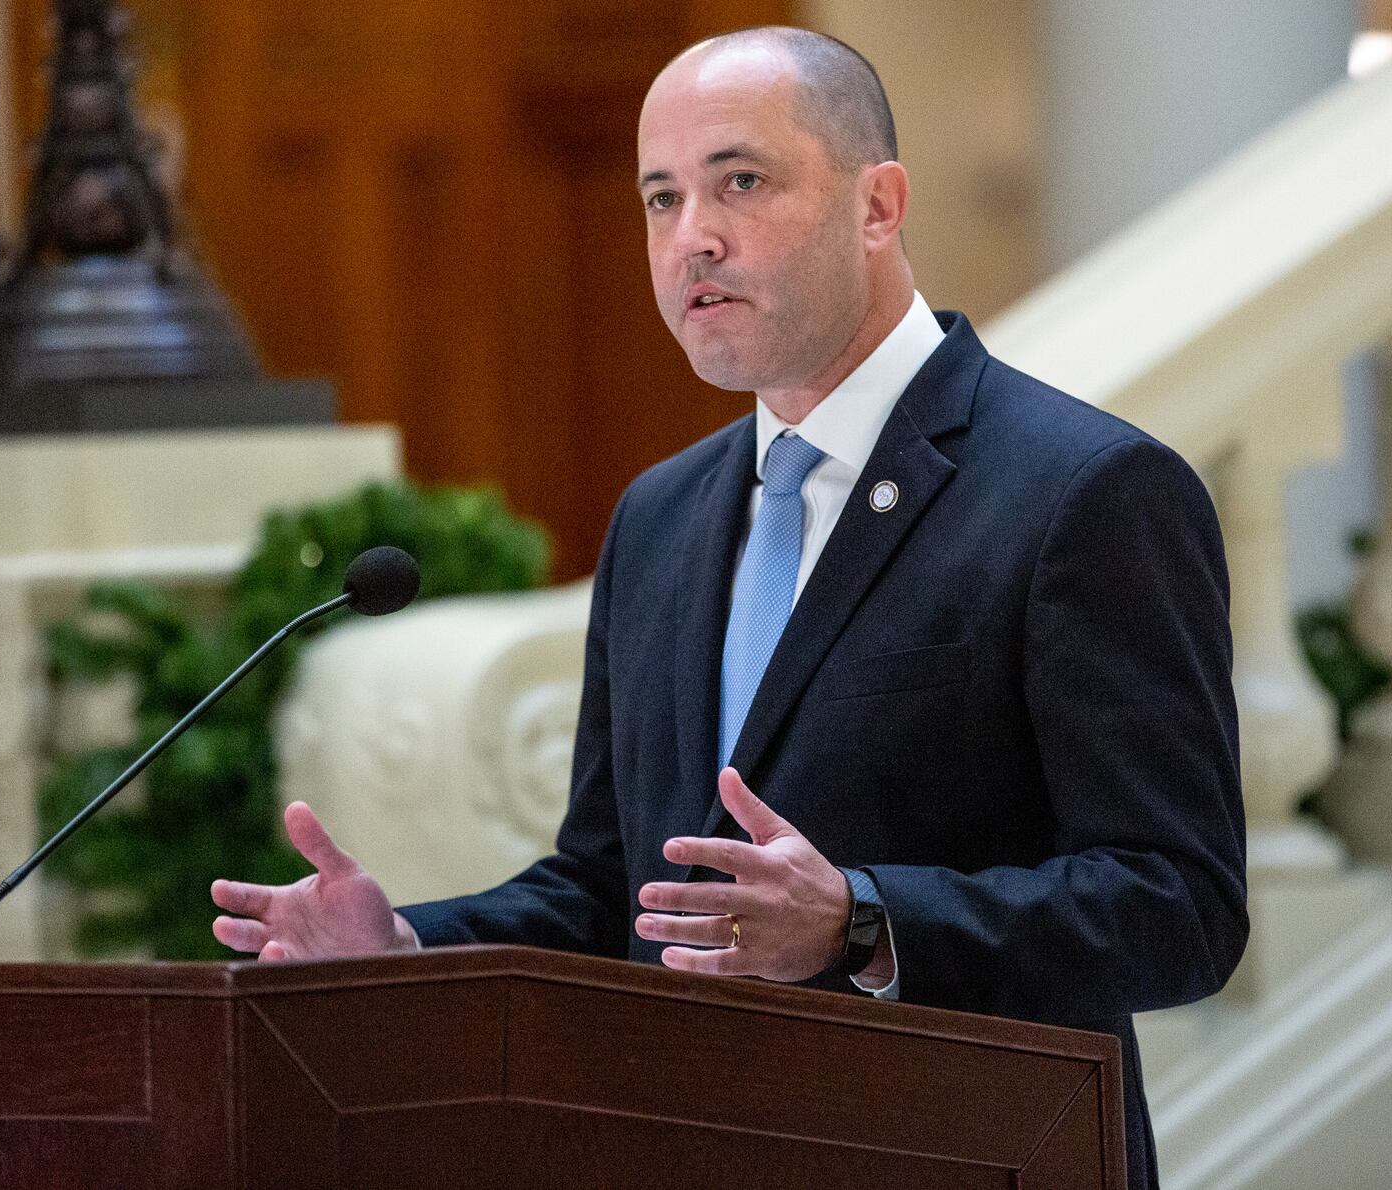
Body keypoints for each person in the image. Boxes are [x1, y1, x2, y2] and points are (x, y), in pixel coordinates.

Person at [211, 27, 1247, 1189]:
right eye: (660, 198)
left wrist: (860, 919)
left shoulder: (1081, 491)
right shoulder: (661, 516)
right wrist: (406, 943)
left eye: (740, 181)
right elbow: (616, 889)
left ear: (878, 205)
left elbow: (1181, 905)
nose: (689, 235)